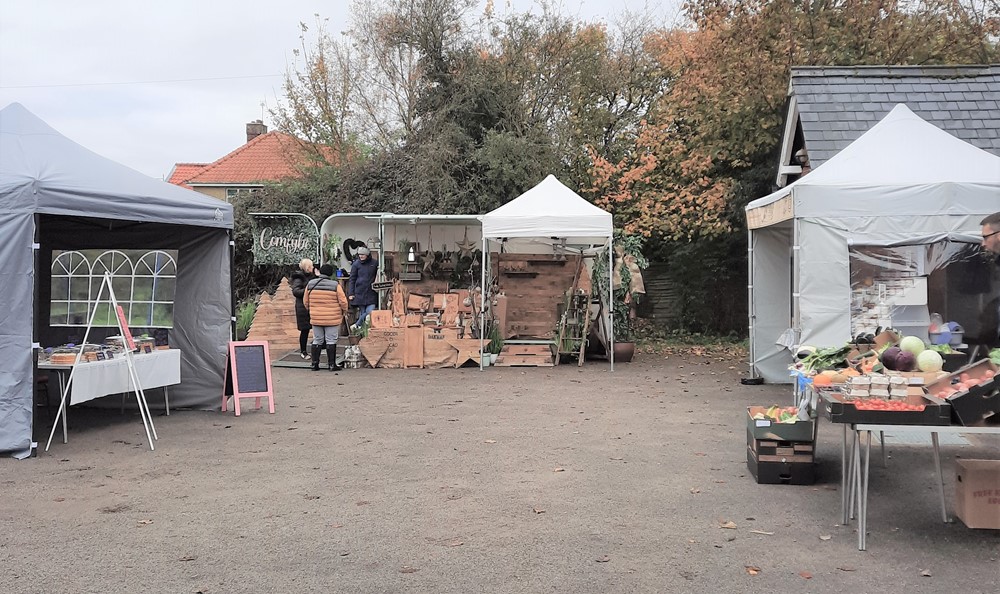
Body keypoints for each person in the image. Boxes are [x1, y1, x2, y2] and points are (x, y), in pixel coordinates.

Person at [304, 263, 349, 371]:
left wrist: (311, 311)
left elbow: (306, 301)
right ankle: (331, 364)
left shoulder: (311, 284)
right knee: (331, 340)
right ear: (330, 273)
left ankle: (314, 364)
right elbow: (343, 301)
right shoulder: (335, 285)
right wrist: (344, 311)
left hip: (316, 317)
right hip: (332, 318)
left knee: (317, 340)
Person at [289, 258, 316, 359]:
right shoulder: (298, 278)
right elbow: (296, 292)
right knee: (305, 330)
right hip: (302, 307)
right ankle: (303, 351)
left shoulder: (312, 277)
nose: (313, 268)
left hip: (312, 306)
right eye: (311, 266)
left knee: (317, 328)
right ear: (307, 267)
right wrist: (308, 290)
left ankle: (317, 348)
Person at [348, 246, 378, 331]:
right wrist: (351, 293)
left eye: (363, 255)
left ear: (367, 255)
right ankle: (362, 333)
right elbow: (352, 279)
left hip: (371, 292)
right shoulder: (356, 264)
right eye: (360, 254)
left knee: (369, 312)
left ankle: (356, 325)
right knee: (363, 313)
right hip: (359, 292)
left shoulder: (374, 263)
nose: (361, 256)